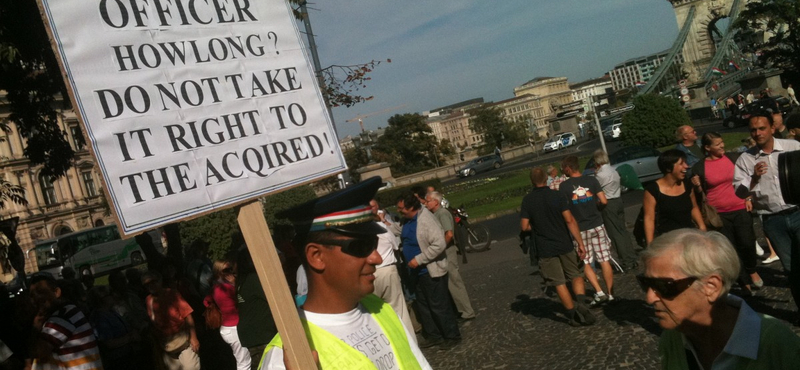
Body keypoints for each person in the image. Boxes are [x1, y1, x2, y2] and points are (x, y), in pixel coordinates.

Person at [261, 176, 432, 369]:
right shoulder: (289, 355)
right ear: (316, 255)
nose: (377, 258)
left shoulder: (381, 309)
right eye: (361, 246)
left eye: (374, 244)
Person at [638, 229, 800, 369]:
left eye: (663, 286)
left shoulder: (778, 345)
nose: (650, 298)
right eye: (645, 283)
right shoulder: (672, 340)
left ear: (711, 286)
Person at [733, 109, 800, 318]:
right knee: (791, 269)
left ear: (772, 128)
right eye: (753, 130)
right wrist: (753, 178)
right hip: (773, 220)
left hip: (798, 212)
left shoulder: (793, 147)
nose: (758, 133)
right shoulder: (745, 159)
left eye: (762, 128)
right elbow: (739, 192)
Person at [520, 167, 596, 326]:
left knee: (559, 282)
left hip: (545, 247)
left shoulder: (528, 200)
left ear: (532, 181)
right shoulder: (557, 195)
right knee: (575, 274)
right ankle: (581, 305)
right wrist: (580, 243)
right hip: (564, 242)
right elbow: (569, 220)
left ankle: (572, 315)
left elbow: (524, 226)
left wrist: (536, 226)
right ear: (546, 179)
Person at [690, 132, 763, 294]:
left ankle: (751, 269)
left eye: (722, 142)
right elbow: (700, 194)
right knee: (731, 249)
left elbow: (748, 179)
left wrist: (749, 197)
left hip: (740, 207)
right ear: (707, 148)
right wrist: (697, 186)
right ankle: (744, 281)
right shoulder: (699, 167)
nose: (722, 146)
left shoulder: (734, 158)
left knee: (747, 242)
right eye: (717, 144)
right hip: (719, 214)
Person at [394, 191, 461, 350]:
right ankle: (434, 335)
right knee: (424, 305)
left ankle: (452, 335)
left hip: (430, 271)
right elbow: (399, 230)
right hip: (416, 273)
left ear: (411, 207)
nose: (399, 211)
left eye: (401, 208)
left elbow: (439, 244)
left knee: (439, 305)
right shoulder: (407, 220)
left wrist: (419, 259)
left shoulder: (426, 220)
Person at [559, 156, 615, 307]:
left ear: (568, 168)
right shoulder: (592, 180)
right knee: (604, 259)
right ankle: (610, 294)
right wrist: (597, 209)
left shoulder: (564, 187)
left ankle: (599, 291)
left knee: (585, 261)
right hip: (597, 224)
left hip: (580, 229)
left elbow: (565, 211)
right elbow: (604, 201)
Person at [29, 273, 104, 370]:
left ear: (56, 292)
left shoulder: (62, 316)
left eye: (41, 292)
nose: (36, 298)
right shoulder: (68, 311)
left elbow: (38, 351)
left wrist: (35, 328)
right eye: (32, 295)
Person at [424, 191, 476, 321]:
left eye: (428, 201)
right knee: (448, 282)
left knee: (454, 281)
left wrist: (439, 248)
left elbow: (449, 234)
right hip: (443, 251)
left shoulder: (442, 214)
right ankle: (459, 310)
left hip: (447, 251)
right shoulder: (434, 214)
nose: (426, 203)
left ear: (436, 202)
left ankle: (466, 311)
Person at [368, 198, 415, 333]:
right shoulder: (382, 228)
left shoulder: (359, 231)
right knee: (399, 308)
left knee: (377, 312)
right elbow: (395, 244)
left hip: (371, 272)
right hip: (387, 269)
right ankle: (410, 341)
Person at [643, 149, 706, 246]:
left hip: (689, 237)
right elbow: (649, 218)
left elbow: (694, 207)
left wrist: (702, 227)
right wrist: (650, 245)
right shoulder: (653, 190)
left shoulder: (687, 184)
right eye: (681, 163)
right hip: (668, 241)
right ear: (669, 168)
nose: (686, 166)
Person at [142, 270, 200, 370]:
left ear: (160, 281)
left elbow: (188, 315)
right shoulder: (148, 300)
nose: (151, 286)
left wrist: (194, 338)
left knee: (191, 367)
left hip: (183, 340)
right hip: (167, 344)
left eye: (153, 282)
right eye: (147, 284)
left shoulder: (172, 294)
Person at [593, 150, 638, 271]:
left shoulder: (600, 175)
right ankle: (631, 257)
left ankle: (626, 260)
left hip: (609, 204)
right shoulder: (614, 170)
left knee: (615, 234)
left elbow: (596, 189)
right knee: (622, 231)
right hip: (618, 199)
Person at [236, 247, 278, 370]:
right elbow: (275, 299)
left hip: (252, 333)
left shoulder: (242, 280)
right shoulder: (255, 279)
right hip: (261, 333)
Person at [206, 259, 251, 370]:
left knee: (241, 360)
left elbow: (206, 301)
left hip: (227, 327)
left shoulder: (216, 287)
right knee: (244, 363)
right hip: (233, 328)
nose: (230, 272)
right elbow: (242, 298)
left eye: (231, 269)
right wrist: (235, 284)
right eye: (226, 270)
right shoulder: (226, 288)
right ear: (218, 271)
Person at [87, 286, 139, 370]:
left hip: (129, 355)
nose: (113, 296)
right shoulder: (99, 318)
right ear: (101, 299)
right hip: (119, 361)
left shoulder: (111, 311)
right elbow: (108, 343)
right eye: (109, 294)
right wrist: (130, 337)